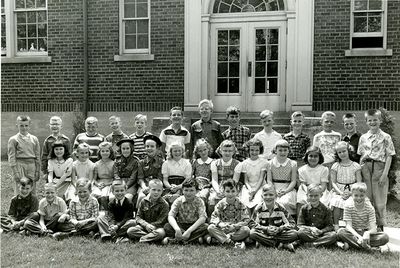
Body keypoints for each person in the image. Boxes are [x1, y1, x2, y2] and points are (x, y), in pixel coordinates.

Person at [358, 109, 396, 231]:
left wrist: (385, 174)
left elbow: (389, 155)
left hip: (380, 167)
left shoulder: (386, 137)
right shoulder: (363, 137)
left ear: (380, 121)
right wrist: (361, 171)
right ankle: (368, 224)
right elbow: (361, 155)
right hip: (366, 167)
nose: (373, 122)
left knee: (380, 197)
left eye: (375, 120)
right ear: (366, 122)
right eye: (370, 120)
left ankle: (380, 225)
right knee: (367, 196)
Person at [337, 182, 389, 251]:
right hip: (353, 233)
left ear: (365, 195)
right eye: (356, 195)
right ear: (352, 195)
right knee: (341, 232)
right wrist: (359, 237)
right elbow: (348, 226)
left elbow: (374, 229)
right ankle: (370, 248)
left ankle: (352, 244)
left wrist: (367, 233)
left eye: (361, 195)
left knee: (384, 237)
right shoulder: (348, 205)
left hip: (366, 233)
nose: (359, 198)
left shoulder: (369, 208)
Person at [249, 184, 298, 252]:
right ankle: (281, 244)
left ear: (276, 196)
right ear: (262, 196)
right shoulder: (258, 208)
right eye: (265, 195)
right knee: (252, 233)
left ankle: (264, 243)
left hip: (278, 233)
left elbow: (292, 223)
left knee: (294, 234)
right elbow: (252, 224)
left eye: (271, 195)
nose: (268, 197)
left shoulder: (281, 208)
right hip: (264, 233)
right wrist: (266, 229)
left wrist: (280, 228)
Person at [162, 178, 208, 244]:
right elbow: (171, 215)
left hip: (193, 226)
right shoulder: (178, 200)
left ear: (197, 191)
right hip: (181, 225)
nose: (188, 193)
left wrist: (189, 231)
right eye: (186, 190)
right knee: (167, 226)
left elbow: (202, 218)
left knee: (206, 226)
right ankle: (193, 240)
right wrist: (177, 229)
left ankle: (175, 240)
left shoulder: (199, 201)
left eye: (191, 190)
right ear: (182, 191)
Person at [207, 179, 250, 249]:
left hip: (236, 230)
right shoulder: (220, 204)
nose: (230, 194)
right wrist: (221, 224)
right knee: (210, 228)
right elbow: (214, 217)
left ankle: (221, 240)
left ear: (237, 192)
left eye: (233, 191)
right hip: (223, 229)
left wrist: (235, 226)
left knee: (246, 230)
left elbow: (246, 220)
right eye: (227, 191)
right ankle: (232, 241)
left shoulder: (241, 204)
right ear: (223, 192)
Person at [330, 141, 362, 229]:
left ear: (348, 151)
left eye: (344, 151)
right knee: (336, 202)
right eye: (339, 152)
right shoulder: (335, 166)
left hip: (354, 190)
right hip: (339, 190)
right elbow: (333, 182)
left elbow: (359, 182)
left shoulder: (355, 166)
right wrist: (341, 193)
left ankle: (352, 226)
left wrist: (351, 193)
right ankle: (336, 225)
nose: (342, 154)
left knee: (353, 202)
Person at [8, 115, 40, 195]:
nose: (24, 128)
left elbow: (37, 156)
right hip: (20, 164)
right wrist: (15, 172)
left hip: (31, 165)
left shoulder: (34, 139)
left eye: (26, 125)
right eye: (21, 125)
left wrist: (37, 171)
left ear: (29, 126)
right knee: (20, 187)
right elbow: (11, 157)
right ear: (17, 125)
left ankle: (32, 207)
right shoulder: (13, 139)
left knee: (32, 188)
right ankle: (19, 206)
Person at [297, 184, 336, 248]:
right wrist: (310, 228)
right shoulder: (304, 208)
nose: (313, 198)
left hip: (322, 234)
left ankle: (312, 244)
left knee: (333, 235)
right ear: (307, 195)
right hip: (309, 233)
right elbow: (299, 225)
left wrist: (321, 231)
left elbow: (330, 226)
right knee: (300, 232)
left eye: (316, 196)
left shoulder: (326, 209)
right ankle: (322, 243)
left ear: (321, 195)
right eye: (311, 196)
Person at [233, 139, 266, 214]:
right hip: (249, 186)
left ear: (260, 150)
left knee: (258, 200)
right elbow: (246, 180)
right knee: (245, 199)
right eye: (252, 150)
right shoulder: (245, 163)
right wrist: (250, 190)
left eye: (257, 150)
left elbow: (261, 178)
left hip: (260, 186)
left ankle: (255, 220)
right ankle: (247, 220)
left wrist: (254, 191)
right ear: (248, 150)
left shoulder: (264, 162)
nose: (254, 152)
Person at [266, 140, 297, 216]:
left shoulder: (293, 163)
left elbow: (293, 181)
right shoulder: (270, 163)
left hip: (287, 188)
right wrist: (274, 190)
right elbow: (269, 180)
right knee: (270, 201)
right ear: (275, 151)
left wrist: (285, 191)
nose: (283, 152)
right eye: (280, 150)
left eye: (285, 150)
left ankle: (288, 219)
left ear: (288, 151)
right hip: (273, 187)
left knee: (284, 202)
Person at [297, 146, 330, 215]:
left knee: (322, 200)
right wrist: (309, 192)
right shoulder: (302, 169)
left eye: (315, 156)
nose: (313, 158)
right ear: (306, 157)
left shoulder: (324, 169)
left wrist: (316, 192)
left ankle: (321, 220)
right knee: (301, 200)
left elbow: (323, 185)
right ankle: (300, 221)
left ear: (319, 157)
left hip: (320, 189)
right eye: (311, 156)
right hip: (306, 190)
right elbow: (303, 184)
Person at [209, 140, 240, 212]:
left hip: (232, 186)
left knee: (234, 198)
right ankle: (213, 219)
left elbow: (235, 181)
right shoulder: (215, 163)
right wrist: (218, 191)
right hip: (218, 185)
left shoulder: (238, 164)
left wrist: (228, 191)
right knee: (212, 199)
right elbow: (214, 179)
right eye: (225, 150)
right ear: (220, 151)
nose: (227, 153)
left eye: (230, 151)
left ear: (233, 152)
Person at [137, 135, 164, 208]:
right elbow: (140, 178)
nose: (149, 148)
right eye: (147, 146)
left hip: (157, 186)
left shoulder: (161, 162)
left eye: (152, 146)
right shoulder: (141, 162)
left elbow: (160, 178)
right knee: (141, 197)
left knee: (157, 198)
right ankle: (138, 215)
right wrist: (144, 187)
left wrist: (153, 188)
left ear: (157, 148)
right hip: (145, 185)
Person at [41, 116, 71, 180]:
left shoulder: (66, 140)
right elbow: (44, 156)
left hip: (63, 169)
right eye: (52, 124)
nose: (54, 126)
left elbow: (69, 155)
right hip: (51, 169)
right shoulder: (47, 140)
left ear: (61, 126)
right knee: (51, 187)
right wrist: (45, 172)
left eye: (57, 124)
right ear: (49, 126)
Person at [92, 142, 115, 210]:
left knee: (104, 196)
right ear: (99, 152)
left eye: (107, 151)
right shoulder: (96, 164)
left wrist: (106, 184)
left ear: (110, 152)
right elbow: (94, 179)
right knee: (95, 195)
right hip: (99, 183)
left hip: (109, 183)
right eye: (103, 151)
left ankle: (107, 212)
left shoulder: (113, 163)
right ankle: (96, 212)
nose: (105, 153)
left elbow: (115, 178)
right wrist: (98, 184)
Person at [191, 139, 213, 205]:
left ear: (208, 149)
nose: (203, 152)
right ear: (197, 152)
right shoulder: (195, 162)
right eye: (200, 151)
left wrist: (208, 185)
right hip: (196, 185)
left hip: (206, 186)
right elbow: (191, 175)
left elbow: (214, 178)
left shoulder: (212, 162)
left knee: (202, 196)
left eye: (205, 150)